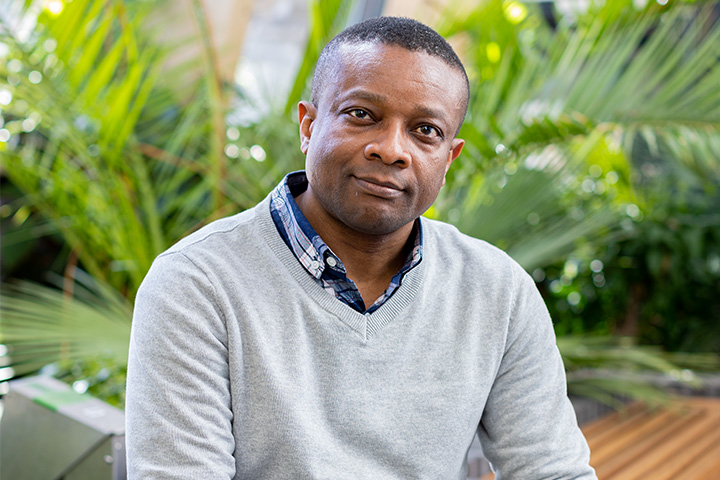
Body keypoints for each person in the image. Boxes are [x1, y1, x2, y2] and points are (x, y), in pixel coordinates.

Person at [126, 16, 597, 480]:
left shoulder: (497, 290)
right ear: (308, 125)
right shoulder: (197, 283)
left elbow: (553, 470)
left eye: (425, 130)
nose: (392, 149)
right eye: (362, 115)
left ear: (449, 157)